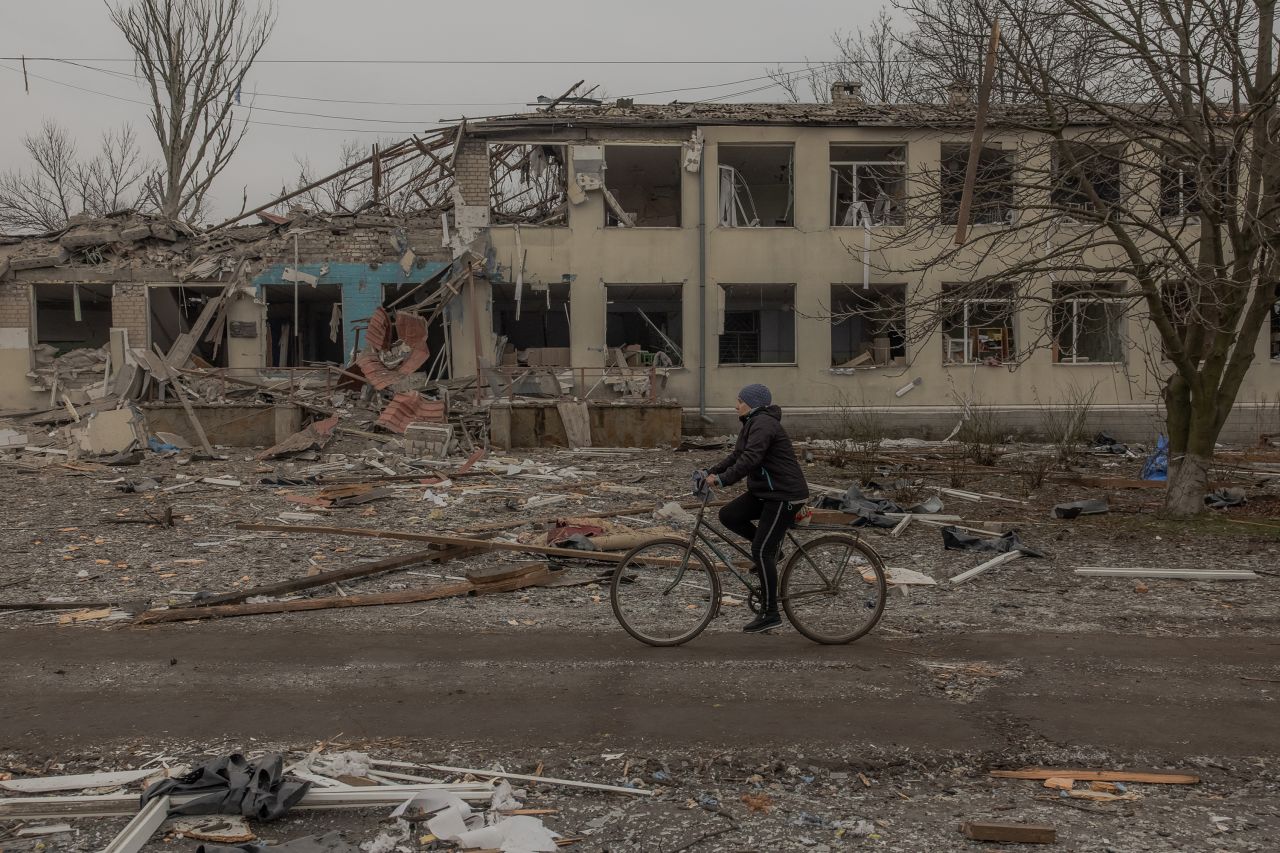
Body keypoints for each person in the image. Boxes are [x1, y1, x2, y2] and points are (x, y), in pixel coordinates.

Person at [702, 384, 809, 633]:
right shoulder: (752, 423)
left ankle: (771, 613)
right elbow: (737, 456)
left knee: (761, 551)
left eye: (739, 401)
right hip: (766, 493)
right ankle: (774, 553)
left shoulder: (763, 424)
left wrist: (722, 480)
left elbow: (751, 459)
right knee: (728, 515)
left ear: (752, 404)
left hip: (784, 495)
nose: (735, 406)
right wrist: (711, 471)